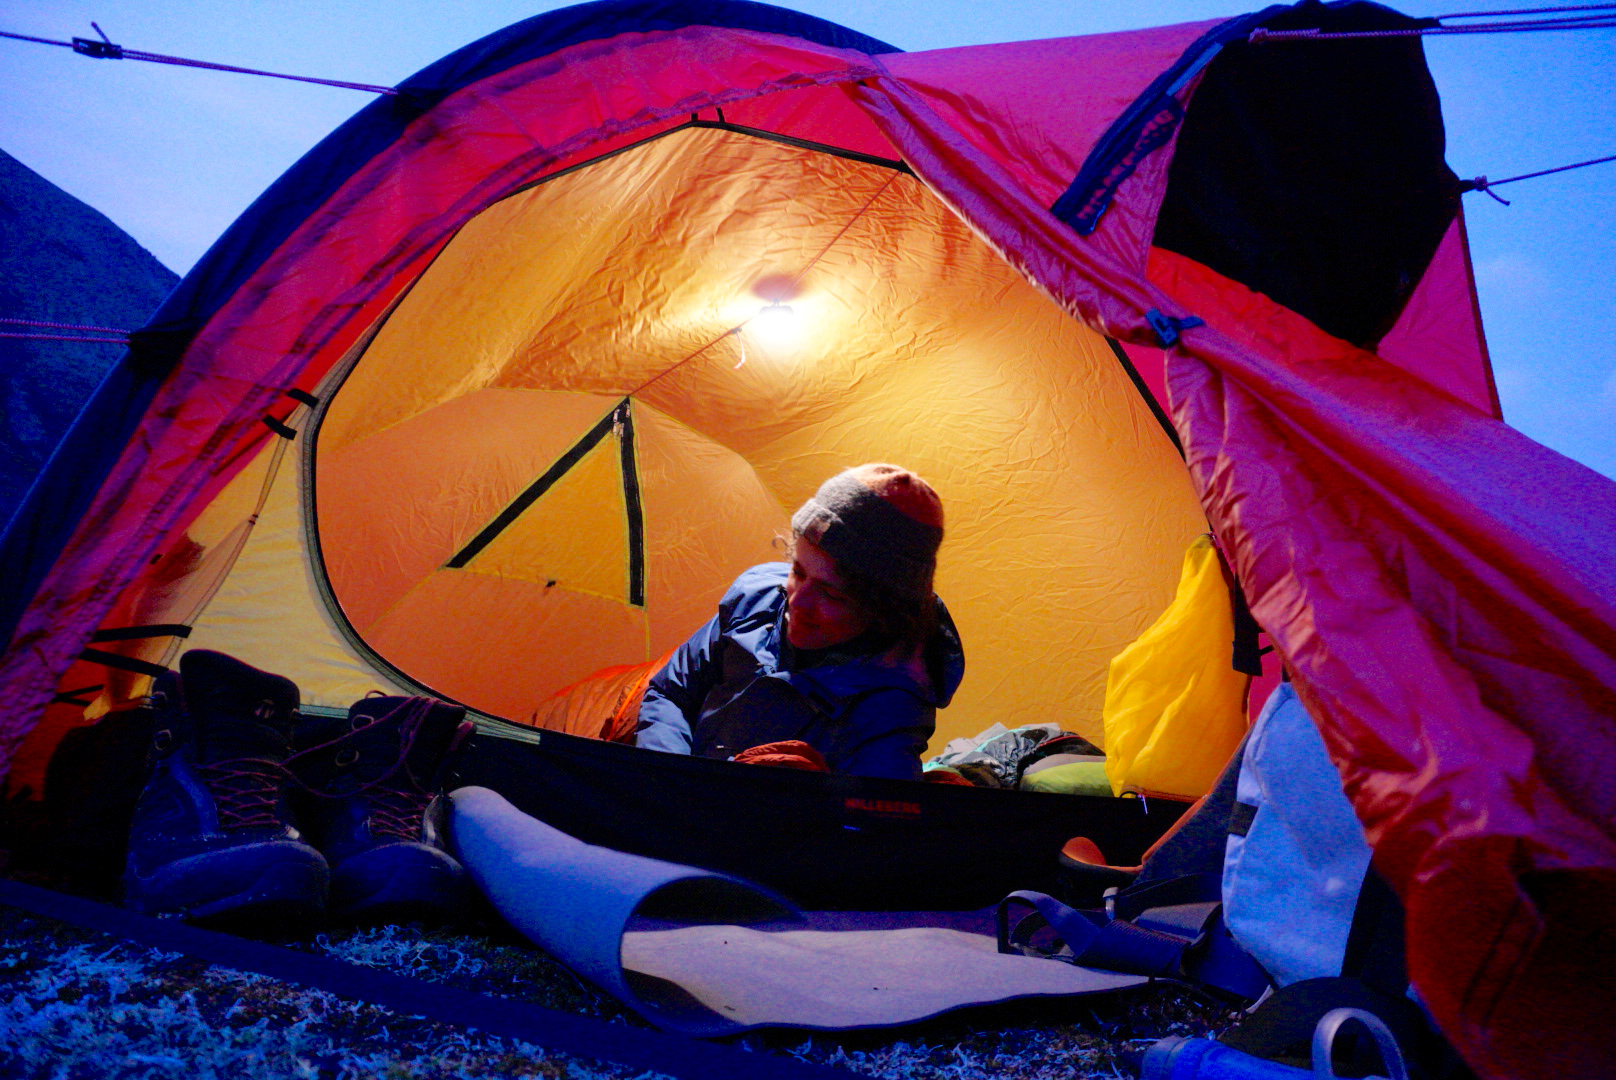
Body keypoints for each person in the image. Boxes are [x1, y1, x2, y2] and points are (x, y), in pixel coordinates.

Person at [634, 463, 964, 780]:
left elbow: (865, 811)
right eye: (798, 571)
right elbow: (670, 692)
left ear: (884, 612)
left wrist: (807, 797)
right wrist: (674, 779)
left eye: (832, 595)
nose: (797, 602)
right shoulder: (757, 600)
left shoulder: (891, 709)